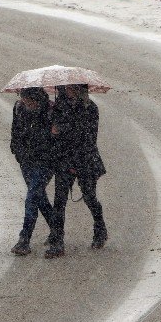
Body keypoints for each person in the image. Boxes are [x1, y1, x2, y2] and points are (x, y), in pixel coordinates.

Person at [46, 83, 107, 258]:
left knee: (89, 197)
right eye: (66, 88)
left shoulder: (90, 108)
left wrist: (62, 130)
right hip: (64, 160)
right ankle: (57, 242)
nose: (68, 90)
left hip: (85, 160)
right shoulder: (59, 106)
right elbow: (55, 135)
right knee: (59, 202)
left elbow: (88, 137)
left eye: (72, 88)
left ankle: (99, 228)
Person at [9, 87, 55, 256]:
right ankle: (56, 229)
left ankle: (24, 238)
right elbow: (15, 131)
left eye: (29, 101)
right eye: (23, 100)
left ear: (37, 99)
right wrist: (17, 151)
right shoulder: (18, 108)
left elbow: (54, 139)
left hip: (45, 162)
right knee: (39, 197)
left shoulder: (51, 111)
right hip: (26, 160)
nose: (25, 103)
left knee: (32, 197)